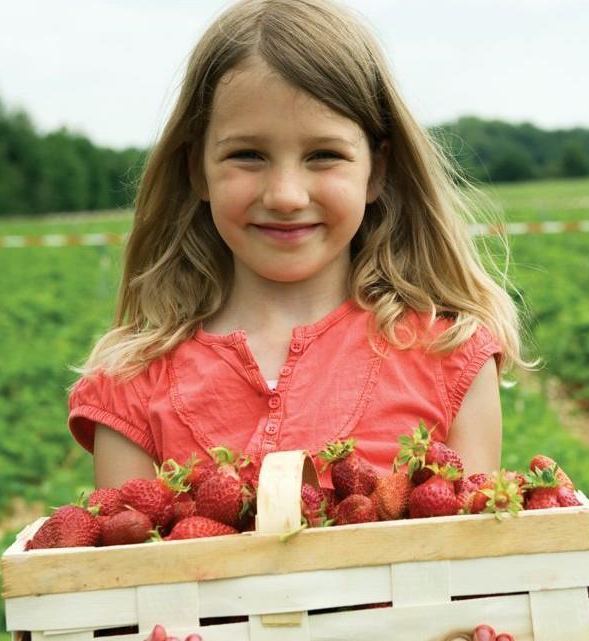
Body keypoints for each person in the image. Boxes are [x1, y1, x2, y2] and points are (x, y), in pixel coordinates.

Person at [66, 1, 531, 639]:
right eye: (248, 155)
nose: (286, 194)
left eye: (324, 156)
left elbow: (481, 581)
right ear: (195, 168)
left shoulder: (448, 354)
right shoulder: (132, 383)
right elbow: (124, 599)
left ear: (379, 170)